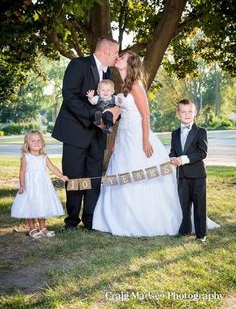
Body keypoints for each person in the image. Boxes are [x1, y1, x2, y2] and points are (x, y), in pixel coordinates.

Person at [92, 51, 184, 236]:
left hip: (138, 137)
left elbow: (145, 115)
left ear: (130, 64)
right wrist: (116, 141)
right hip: (124, 137)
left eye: (123, 57)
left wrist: (145, 141)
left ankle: (145, 220)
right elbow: (123, 117)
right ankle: (118, 219)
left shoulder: (136, 85)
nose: (119, 58)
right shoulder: (123, 85)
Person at [52, 37, 120, 230]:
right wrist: (96, 117)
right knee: (74, 177)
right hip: (75, 132)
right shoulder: (78, 64)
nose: (117, 56)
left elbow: (110, 102)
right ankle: (72, 220)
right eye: (116, 52)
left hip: (97, 137)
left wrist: (114, 115)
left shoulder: (109, 73)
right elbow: (70, 97)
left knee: (93, 178)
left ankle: (90, 220)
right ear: (106, 50)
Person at [11, 130, 69, 239]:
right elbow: (22, 172)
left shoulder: (44, 157)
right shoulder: (26, 157)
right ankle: (32, 228)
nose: (36, 143)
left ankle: (43, 227)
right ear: (27, 144)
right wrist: (22, 185)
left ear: (42, 142)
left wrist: (61, 176)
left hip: (42, 186)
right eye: (33, 141)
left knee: (41, 205)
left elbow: (52, 167)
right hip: (30, 186)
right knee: (29, 206)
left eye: (39, 140)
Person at [169, 99, 210, 242]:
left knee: (199, 205)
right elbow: (173, 150)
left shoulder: (201, 132)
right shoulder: (174, 133)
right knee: (184, 204)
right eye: (183, 112)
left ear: (195, 113)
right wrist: (173, 158)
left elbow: (202, 153)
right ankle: (185, 229)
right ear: (178, 114)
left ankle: (201, 234)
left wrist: (184, 159)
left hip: (198, 175)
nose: (187, 115)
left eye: (190, 112)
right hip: (182, 175)